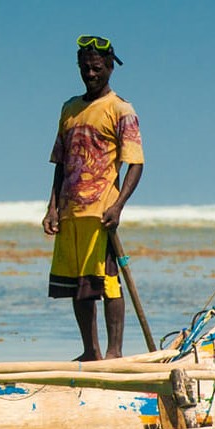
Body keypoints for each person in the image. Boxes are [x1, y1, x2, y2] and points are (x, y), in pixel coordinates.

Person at [43, 35, 144, 359]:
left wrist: (118, 205)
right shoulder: (69, 108)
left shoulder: (120, 109)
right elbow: (61, 163)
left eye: (97, 68)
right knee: (79, 287)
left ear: (110, 67)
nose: (90, 74)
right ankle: (91, 352)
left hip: (101, 211)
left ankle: (114, 353)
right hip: (71, 211)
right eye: (85, 68)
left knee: (108, 283)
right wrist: (52, 207)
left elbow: (136, 163)